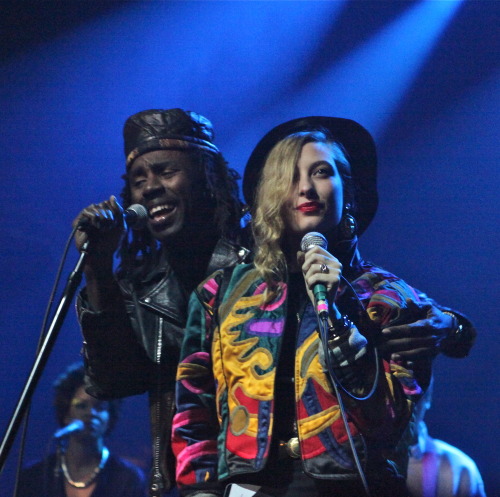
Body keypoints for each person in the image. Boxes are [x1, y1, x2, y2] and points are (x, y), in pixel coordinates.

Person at [171, 116, 476, 497]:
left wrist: (341, 315)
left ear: (347, 192)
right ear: (269, 194)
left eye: (321, 173)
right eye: (289, 176)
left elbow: (392, 419)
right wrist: (200, 490)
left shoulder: (389, 297)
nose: (305, 188)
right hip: (248, 487)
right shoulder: (221, 293)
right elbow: (192, 405)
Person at [73, 109, 250, 496]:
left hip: (268, 475)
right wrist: (99, 267)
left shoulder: (258, 259)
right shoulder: (139, 284)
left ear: (206, 176)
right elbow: (114, 379)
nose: (150, 188)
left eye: (166, 172)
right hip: (195, 481)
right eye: (139, 180)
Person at [18, 362, 147, 497]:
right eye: (81, 406)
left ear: (110, 416)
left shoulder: (127, 479)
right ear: (66, 413)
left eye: (100, 407)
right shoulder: (36, 476)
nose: (90, 413)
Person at [407, 379, 487, 497]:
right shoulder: (369, 459)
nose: (401, 406)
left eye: (411, 391)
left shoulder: (460, 469)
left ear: (428, 395)